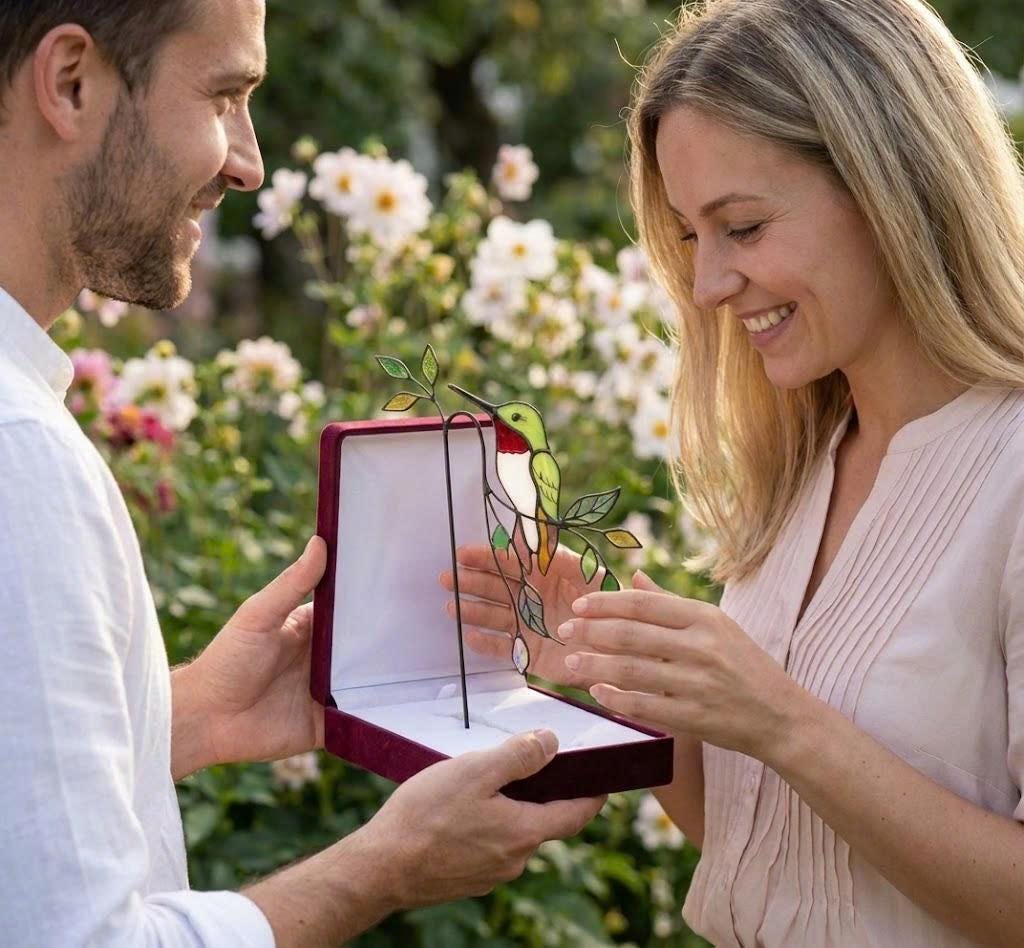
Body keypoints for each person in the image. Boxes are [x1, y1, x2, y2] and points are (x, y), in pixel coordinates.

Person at [0, 1, 604, 945]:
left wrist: (195, 716)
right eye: (224, 96)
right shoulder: (19, 455)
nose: (248, 163)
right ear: (72, 83)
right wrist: (382, 869)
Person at [443, 0, 1024, 944]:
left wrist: (782, 721)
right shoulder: (806, 465)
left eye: (743, 228)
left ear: (892, 188)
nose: (708, 285)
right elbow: (770, 847)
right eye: (689, 237)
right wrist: (630, 674)